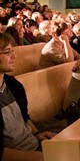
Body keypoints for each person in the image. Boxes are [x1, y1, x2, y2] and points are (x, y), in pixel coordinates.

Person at [0, 33, 56, 161]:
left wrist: (36, 133)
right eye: (7, 52)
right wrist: (43, 157)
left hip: (32, 144)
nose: (14, 56)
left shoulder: (13, 84)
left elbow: (24, 116)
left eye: (13, 51)